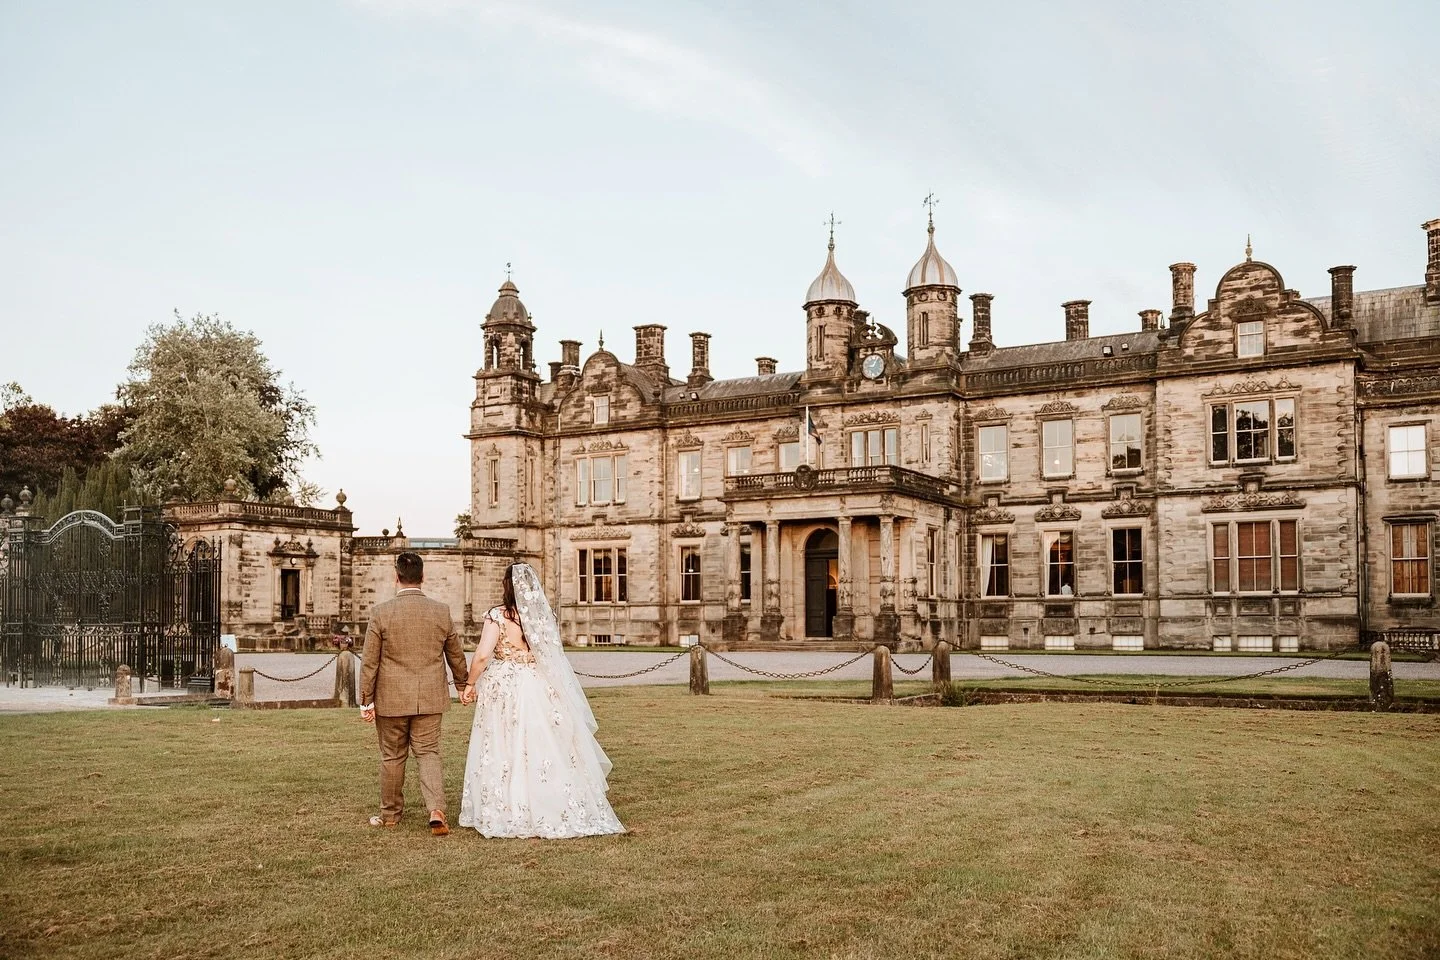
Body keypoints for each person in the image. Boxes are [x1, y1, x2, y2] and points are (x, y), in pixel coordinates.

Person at [457, 562, 625, 839]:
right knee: (541, 742)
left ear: (507, 587)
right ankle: (549, 801)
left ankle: (510, 808)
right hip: (537, 683)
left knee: (504, 743)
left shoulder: (498, 616)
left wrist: (470, 684)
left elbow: (483, 655)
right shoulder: (541, 617)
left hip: (507, 685)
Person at [359, 552, 470, 835]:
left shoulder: (381, 613)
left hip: (390, 697)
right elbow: (455, 654)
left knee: (392, 756)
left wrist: (365, 700)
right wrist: (462, 684)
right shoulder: (440, 611)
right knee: (428, 753)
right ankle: (436, 809)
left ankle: (391, 815)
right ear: (423, 577)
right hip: (431, 695)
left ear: (396, 577)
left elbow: (370, 661)